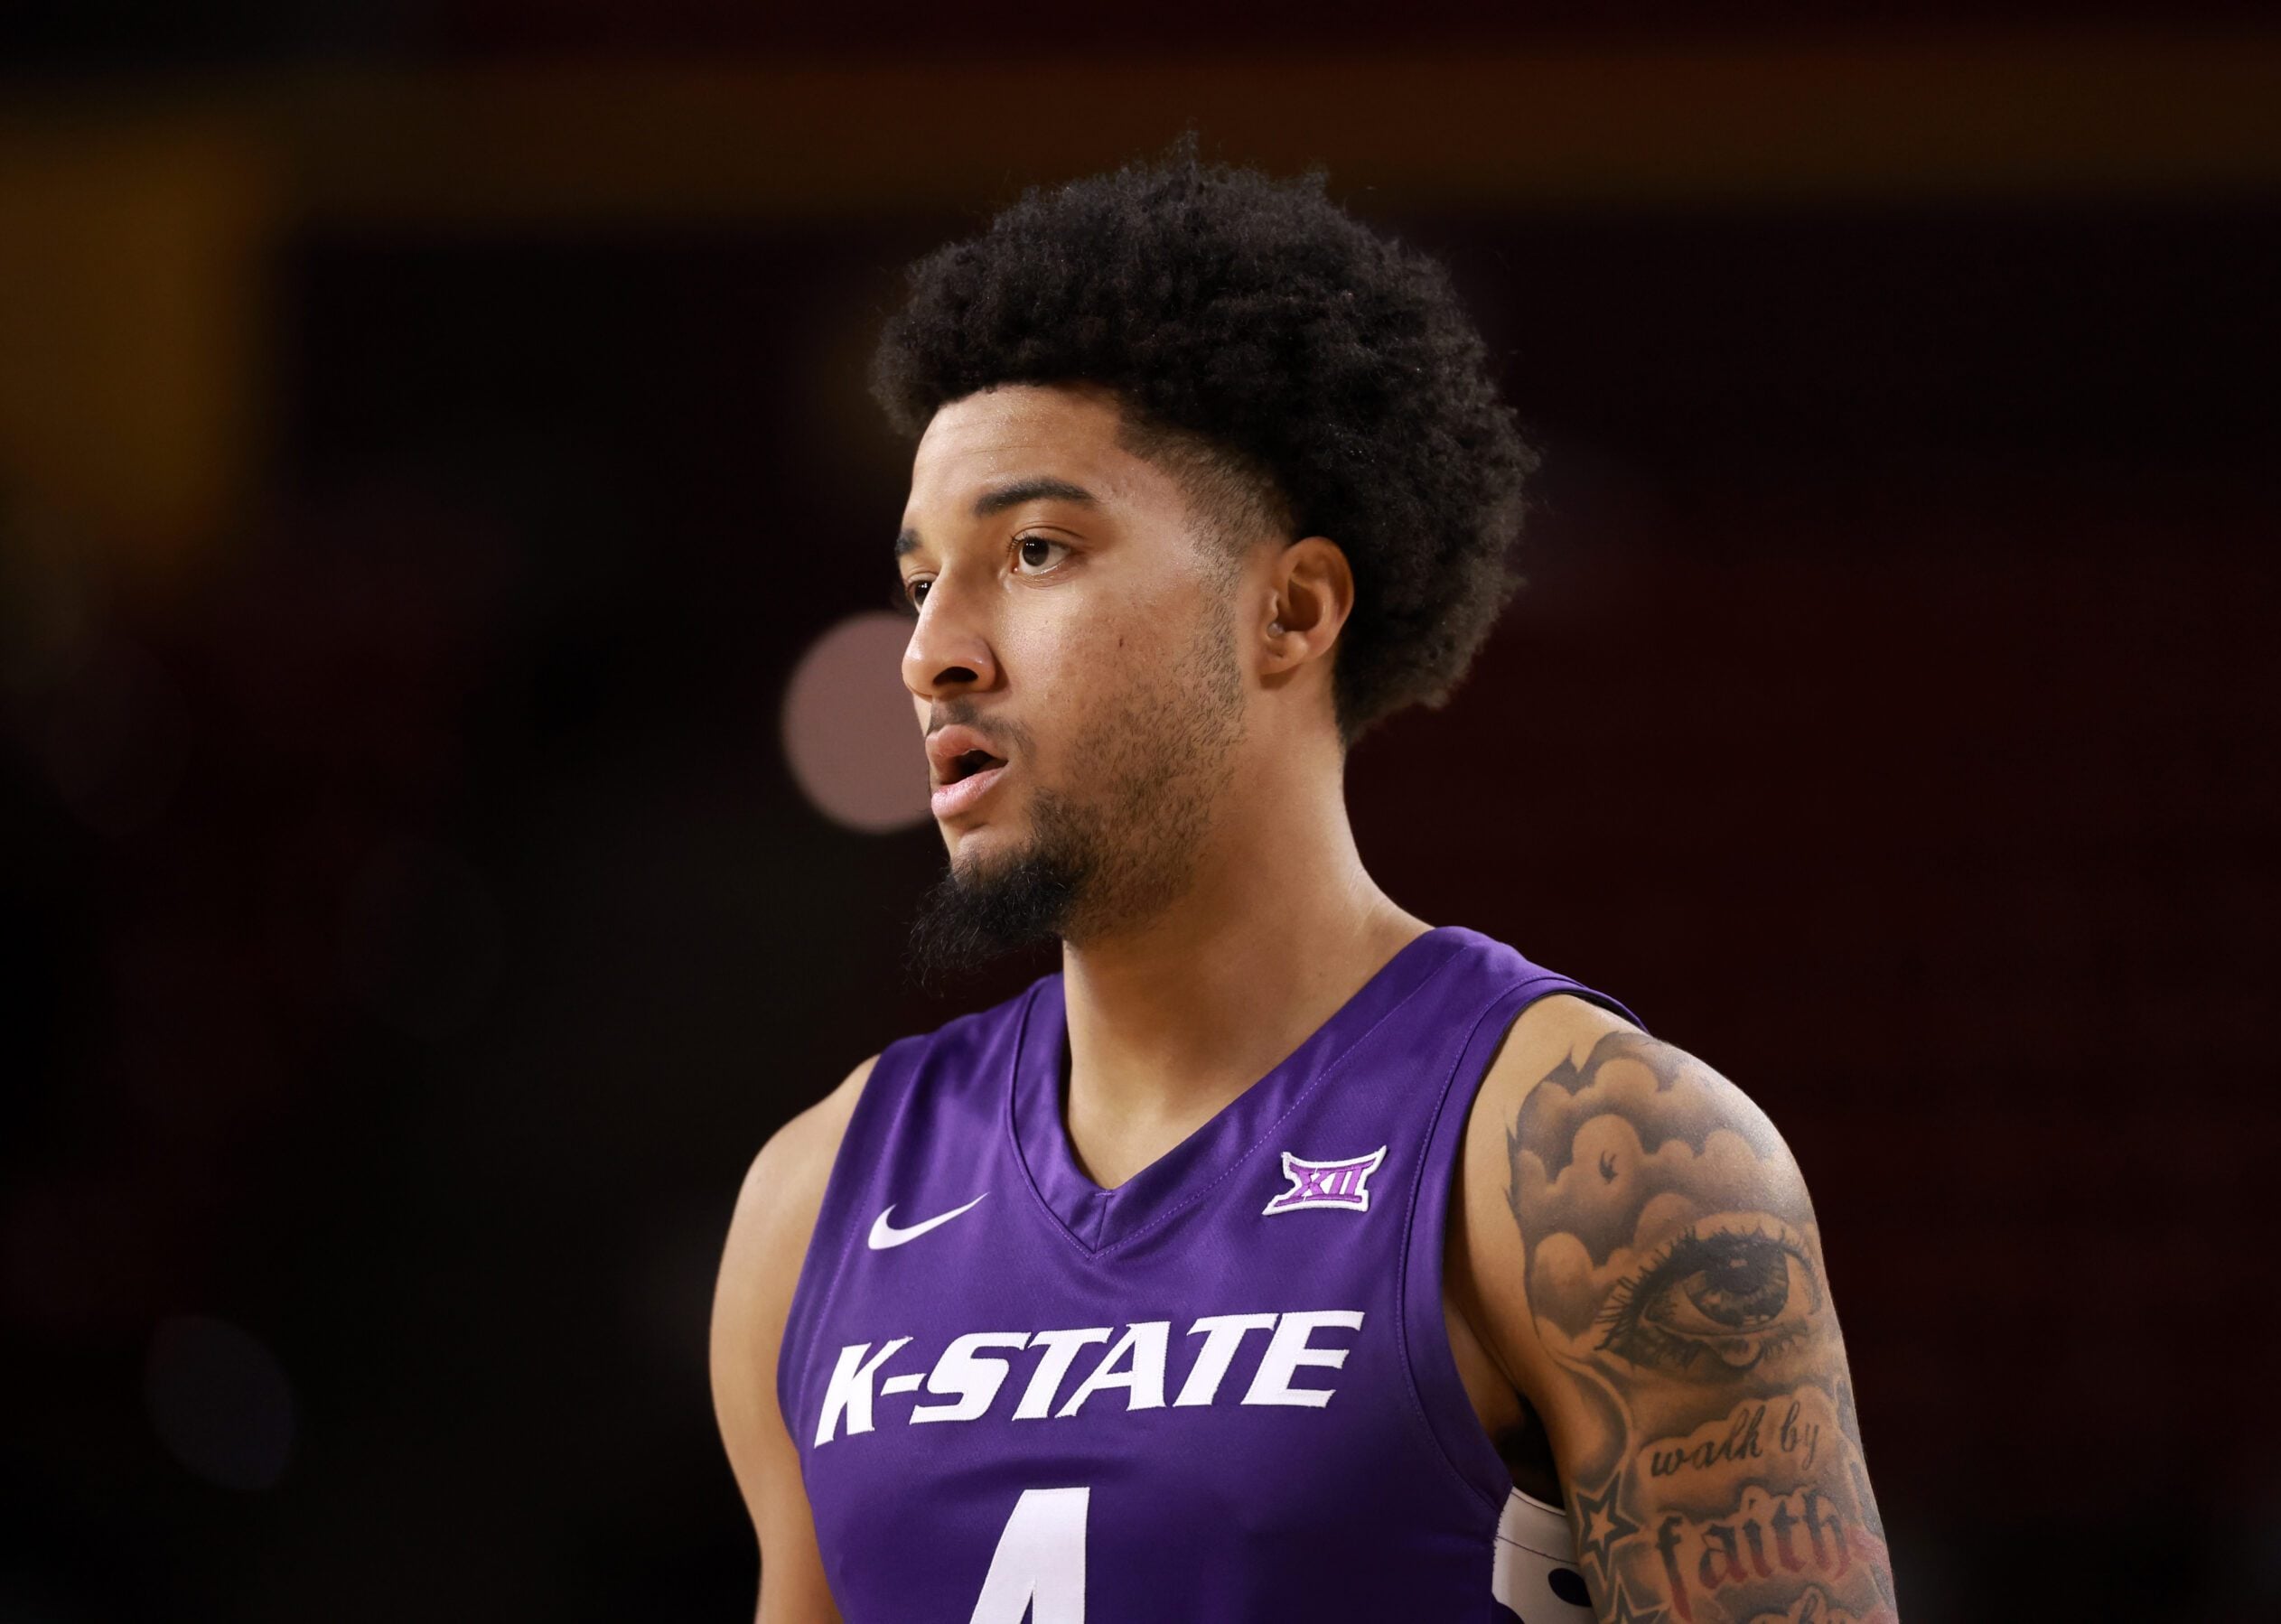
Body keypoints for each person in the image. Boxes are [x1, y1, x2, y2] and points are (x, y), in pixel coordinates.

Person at [709, 144, 1901, 1624]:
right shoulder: (814, 1198)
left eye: (1032, 549)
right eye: (918, 580)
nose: (932, 649)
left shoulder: (1594, 1155)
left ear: (1293, 607)